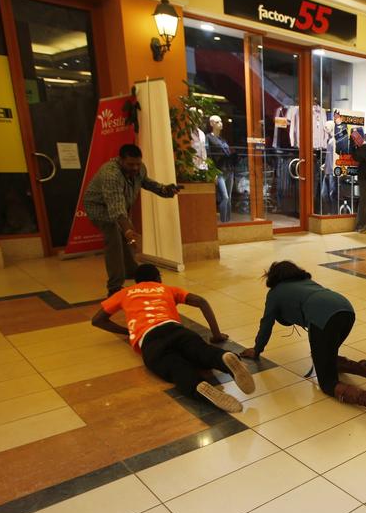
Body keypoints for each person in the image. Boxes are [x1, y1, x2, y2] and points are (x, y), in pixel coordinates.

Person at [241, 261, 366, 419]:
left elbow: (266, 323)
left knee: (327, 383)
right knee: (326, 356)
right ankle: (364, 369)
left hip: (323, 319)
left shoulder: (275, 293)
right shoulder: (306, 281)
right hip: (346, 310)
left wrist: (257, 349)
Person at [91, 264, 255, 413]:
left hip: (149, 339)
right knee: (201, 351)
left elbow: (97, 320)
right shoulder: (167, 289)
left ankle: (199, 387)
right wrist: (217, 335)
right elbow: (201, 301)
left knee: (176, 369)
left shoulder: (125, 292)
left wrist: (128, 331)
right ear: (158, 279)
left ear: (136, 281)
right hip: (176, 329)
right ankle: (224, 358)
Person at [83, 144, 180, 297]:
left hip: (119, 207)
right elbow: (116, 207)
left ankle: (130, 271)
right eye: (131, 164)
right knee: (115, 238)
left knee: (128, 239)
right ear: (120, 160)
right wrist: (128, 230)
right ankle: (114, 287)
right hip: (99, 208)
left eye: (137, 163)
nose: (135, 168)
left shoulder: (139, 168)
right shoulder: (111, 174)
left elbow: (145, 182)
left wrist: (164, 190)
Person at [206, 115, 233, 223]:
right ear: (212, 124)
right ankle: (223, 222)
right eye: (217, 122)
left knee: (229, 198)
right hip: (219, 171)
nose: (220, 124)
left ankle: (228, 222)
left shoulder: (223, 139)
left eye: (221, 121)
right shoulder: (209, 138)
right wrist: (213, 173)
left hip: (229, 170)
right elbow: (209, 156)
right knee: (225, 197)